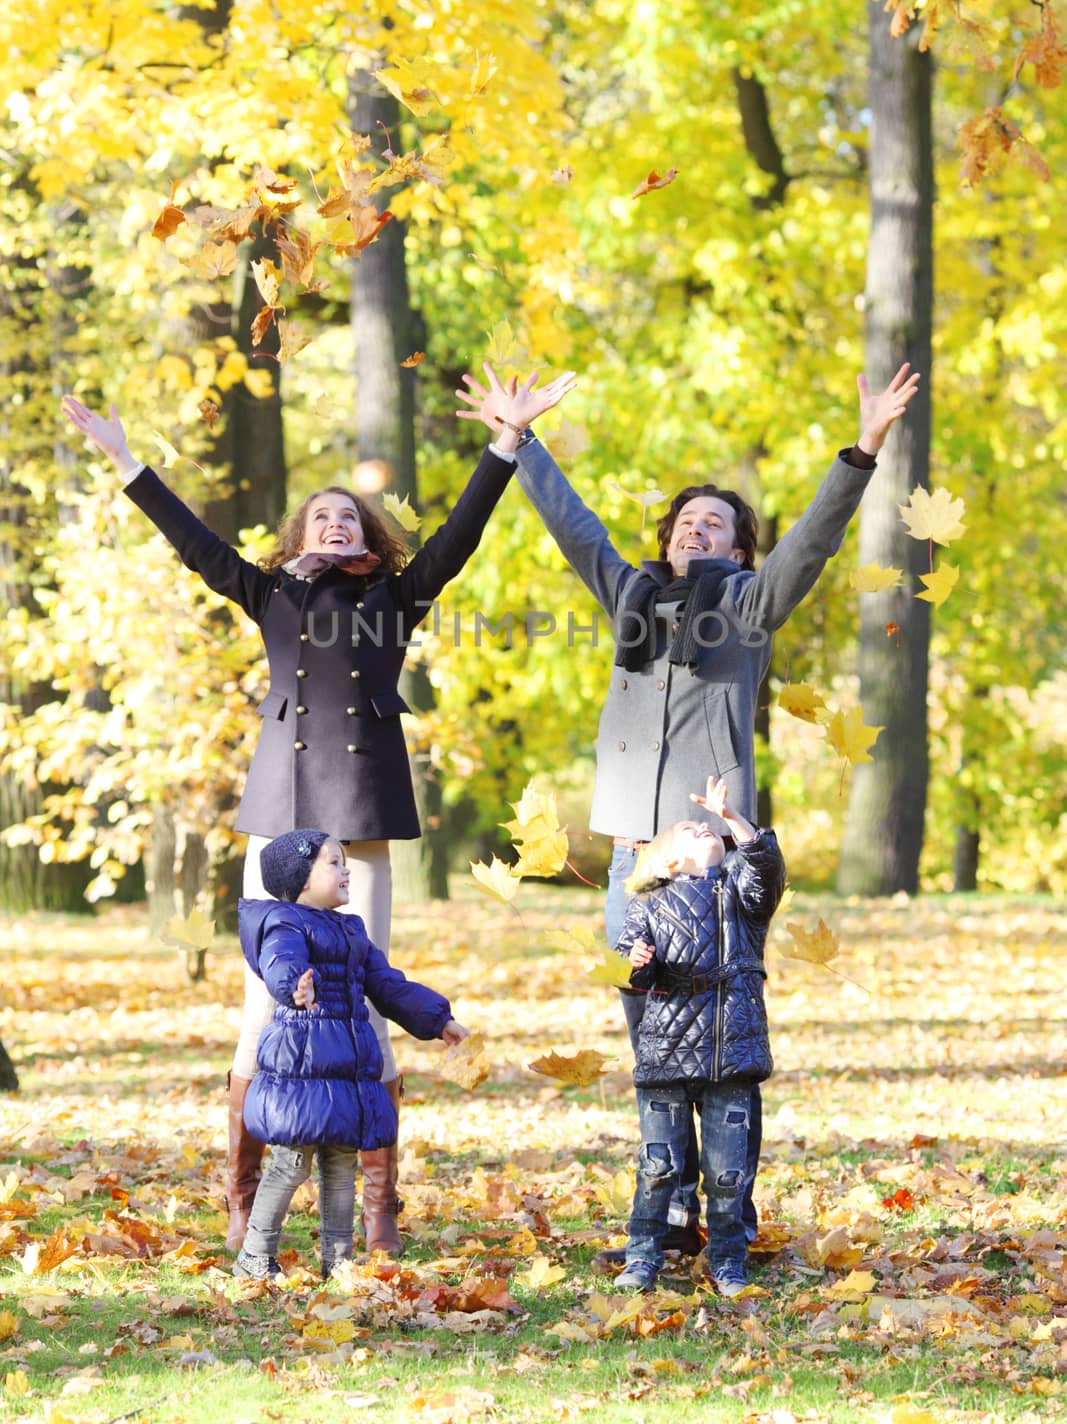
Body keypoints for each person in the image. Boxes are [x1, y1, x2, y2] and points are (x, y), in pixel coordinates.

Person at [60, 372, 574, 1253]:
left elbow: (457, 538)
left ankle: (376, 1212)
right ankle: (242, 1199)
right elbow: (194, 544)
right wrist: (124, 459)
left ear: (366, 534)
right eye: (321, 517)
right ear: (299, 535)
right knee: (261, 1005)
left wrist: (504, 444)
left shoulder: (393, 596)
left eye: (349, 517)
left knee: (363, 999)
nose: (336, 525)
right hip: (282, 812)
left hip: (361, 811)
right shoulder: (272, 594)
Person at [456, 360, 919, 1256]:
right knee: (653, 1046)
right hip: (636, 859)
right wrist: (518, 440)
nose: (695, 530)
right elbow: (573, 526)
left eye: (716, 523)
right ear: (666, 540)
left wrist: (862, 448)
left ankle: (729, 1224)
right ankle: (664, 1218)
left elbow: (811, 546)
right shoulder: (630, 596)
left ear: (738, 550)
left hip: (706, 863)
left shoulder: (748, 605)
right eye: (684, 522)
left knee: (717, 1045)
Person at [234, 829, 467, 1281]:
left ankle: (337, 1261)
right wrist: (292, 986)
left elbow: (388, 985)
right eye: (334, 863)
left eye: (344, 862)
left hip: (348, 1066)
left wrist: (437, 1018)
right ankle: (255, 1255)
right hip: (302, 1064)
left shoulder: (351, 930)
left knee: (342, 1164)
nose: (346, 871)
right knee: (291, 1163)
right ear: (301, 877)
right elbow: (279, 961)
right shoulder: (284, 923)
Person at [612, 778, 785, 1295]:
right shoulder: (647, 904)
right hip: (666, 1054)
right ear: (666, 861)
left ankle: (729, 1257)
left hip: (731, 1052)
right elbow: (626, 966)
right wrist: (635, 964)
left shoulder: (741, 894)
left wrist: (733, 816)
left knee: (729, 1172)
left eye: (709, 828)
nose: (704, 830)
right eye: (691, 830)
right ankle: (643, 1253)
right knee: (658, 1166)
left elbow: (766, 868)